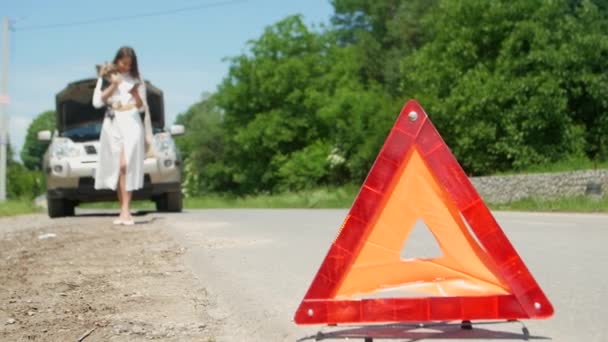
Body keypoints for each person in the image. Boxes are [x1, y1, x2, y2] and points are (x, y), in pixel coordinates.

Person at [92, 46, 147, 225]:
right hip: (113, 123)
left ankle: (126, 211)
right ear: (117, 61)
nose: (126, 67)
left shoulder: (137, 79)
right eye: (123, 63)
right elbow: (96, 103)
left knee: (126, 165)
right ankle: (123, 210)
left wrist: (136, 94)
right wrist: (114, 84)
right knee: (118, 168)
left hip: (131, 121)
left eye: (130, 65)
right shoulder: (107, 77)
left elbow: (141, 107)